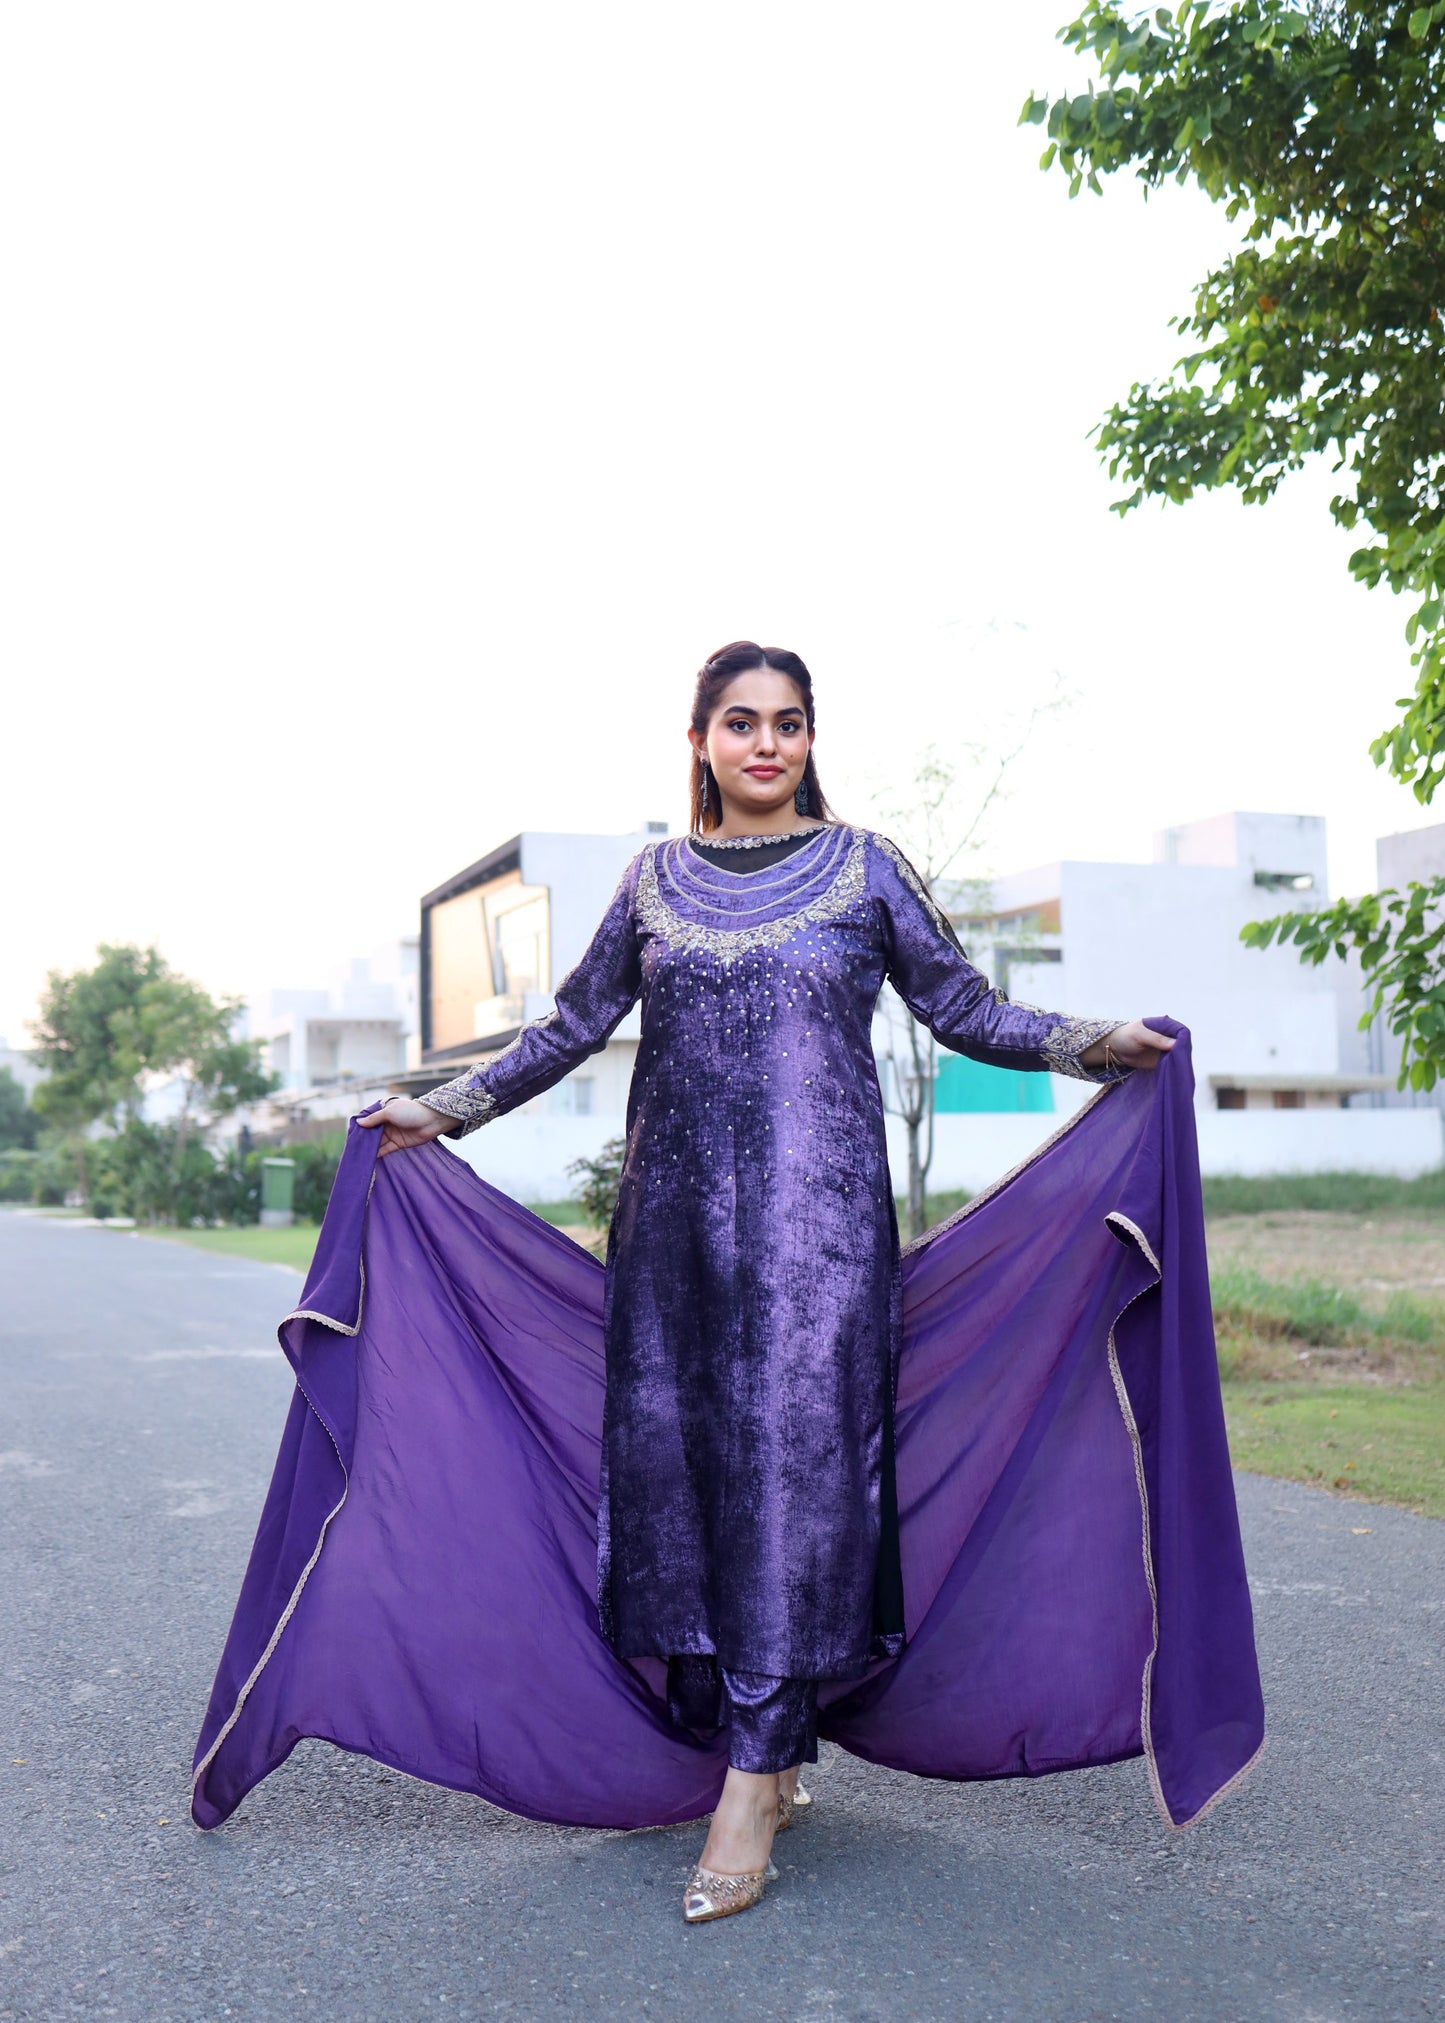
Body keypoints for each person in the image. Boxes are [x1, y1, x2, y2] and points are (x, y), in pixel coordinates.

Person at [357, 638, 1173, 1923]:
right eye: (738, 723)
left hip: (820, 1238)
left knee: (797, 1479)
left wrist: (1093, 1042)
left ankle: (750, 1779)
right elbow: (566, 1029)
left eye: (787, 723)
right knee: (682, 1478)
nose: (765, 745)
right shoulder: (649, 882)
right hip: (670, 1233)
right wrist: (441, 1110)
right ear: (697, 740)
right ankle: (754, 1732)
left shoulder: (863, 869)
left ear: (808, 738)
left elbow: (962, 1006)